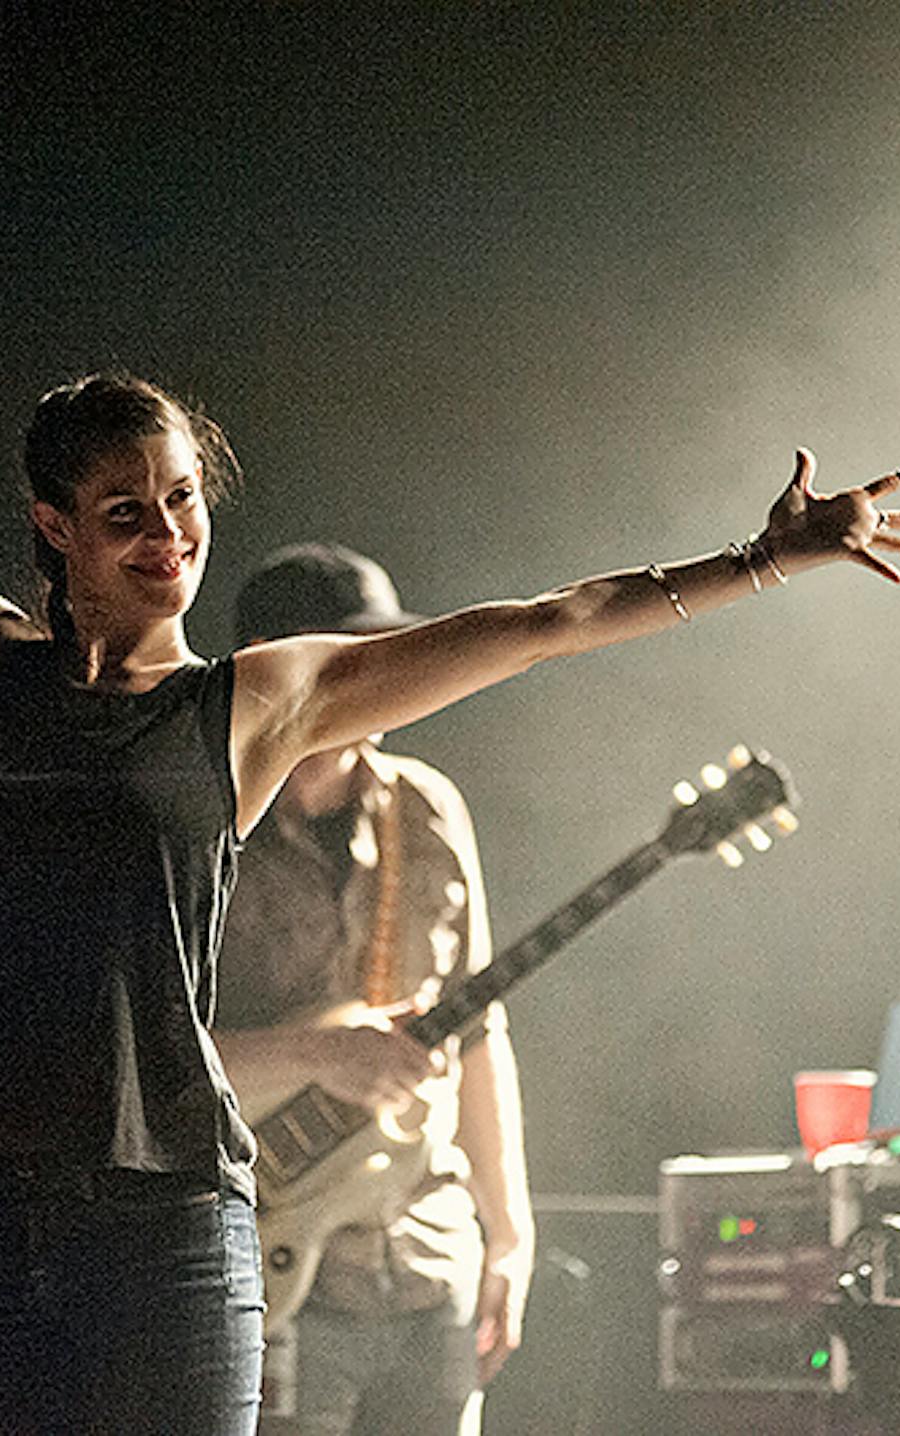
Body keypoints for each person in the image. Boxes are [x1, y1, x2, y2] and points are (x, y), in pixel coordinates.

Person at [0, 260, 900, 1435]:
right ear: (51, 528)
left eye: (182, 498)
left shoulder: (257, 704)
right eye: (125, 508)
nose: (168, 534)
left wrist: (758, 562)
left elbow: (546, 619)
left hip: (163, 1228)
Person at [213, 543, 530, 1436]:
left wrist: (508, 1236)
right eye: (359, 656)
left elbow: (478, 1033)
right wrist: (316, 1050)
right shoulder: (202, 826)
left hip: (432, 1263)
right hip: (274, 1271)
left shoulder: (428, 808)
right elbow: (137, 1058)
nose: (391, 678)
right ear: (282, 668)